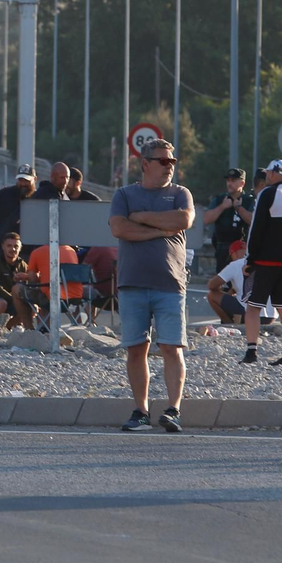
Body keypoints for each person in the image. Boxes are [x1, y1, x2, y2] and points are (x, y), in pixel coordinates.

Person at [108, 138, 194, 433]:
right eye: (163, 161)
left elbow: (185, 219)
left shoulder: (181, 194)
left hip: (170, 284)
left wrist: (143, 220)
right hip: (132, 284)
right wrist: (162, 229)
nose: (169, 166)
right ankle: (141, 411)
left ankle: (173, 410)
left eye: (172, 161)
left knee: (172, 347)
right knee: (136, 349)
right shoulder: (124, 195)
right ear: (145, 164)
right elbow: (119, 228)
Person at [239, 159, 282, 366]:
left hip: (267, 259)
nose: (267, 177)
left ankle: (251, 351)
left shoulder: (267, 194)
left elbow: (256, 227)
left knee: (253, 306)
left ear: (274, 174)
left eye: (268, 173)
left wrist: (250, 258)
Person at [16, 241, 81, 331]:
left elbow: (32, 279)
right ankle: (78, 326)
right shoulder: (71, 250)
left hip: (51, 299)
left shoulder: (37, 252)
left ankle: (29, 329)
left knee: (17, 289)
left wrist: (29, 277)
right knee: (45, 289)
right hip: (75, 299)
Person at [206, 243, 275, 326]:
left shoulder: (236, 264)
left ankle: (229, 324)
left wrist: (218, 290)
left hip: (250, 315)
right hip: (270, 317)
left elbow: (211, 285)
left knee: (212, 295)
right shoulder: (262, 262)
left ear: (234, 254)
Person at [202, 169, 252, 274]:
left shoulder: (249, 200)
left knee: (240, 284)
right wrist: (223, 207)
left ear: (242, 183)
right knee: (223, 284)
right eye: (228, 180)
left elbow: (253, 221)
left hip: (242, 249)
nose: (230, 183)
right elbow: (206, 219)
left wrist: (239, 208)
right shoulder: (219, 200)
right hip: (223, 249)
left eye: (233, 180)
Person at [0, 165, 36, 258]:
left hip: (28, 250)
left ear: (35, 179)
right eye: (20, 180)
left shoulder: (37, 198)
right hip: (4, 248)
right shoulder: (6, 193)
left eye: (26, 180)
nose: (22, 184)